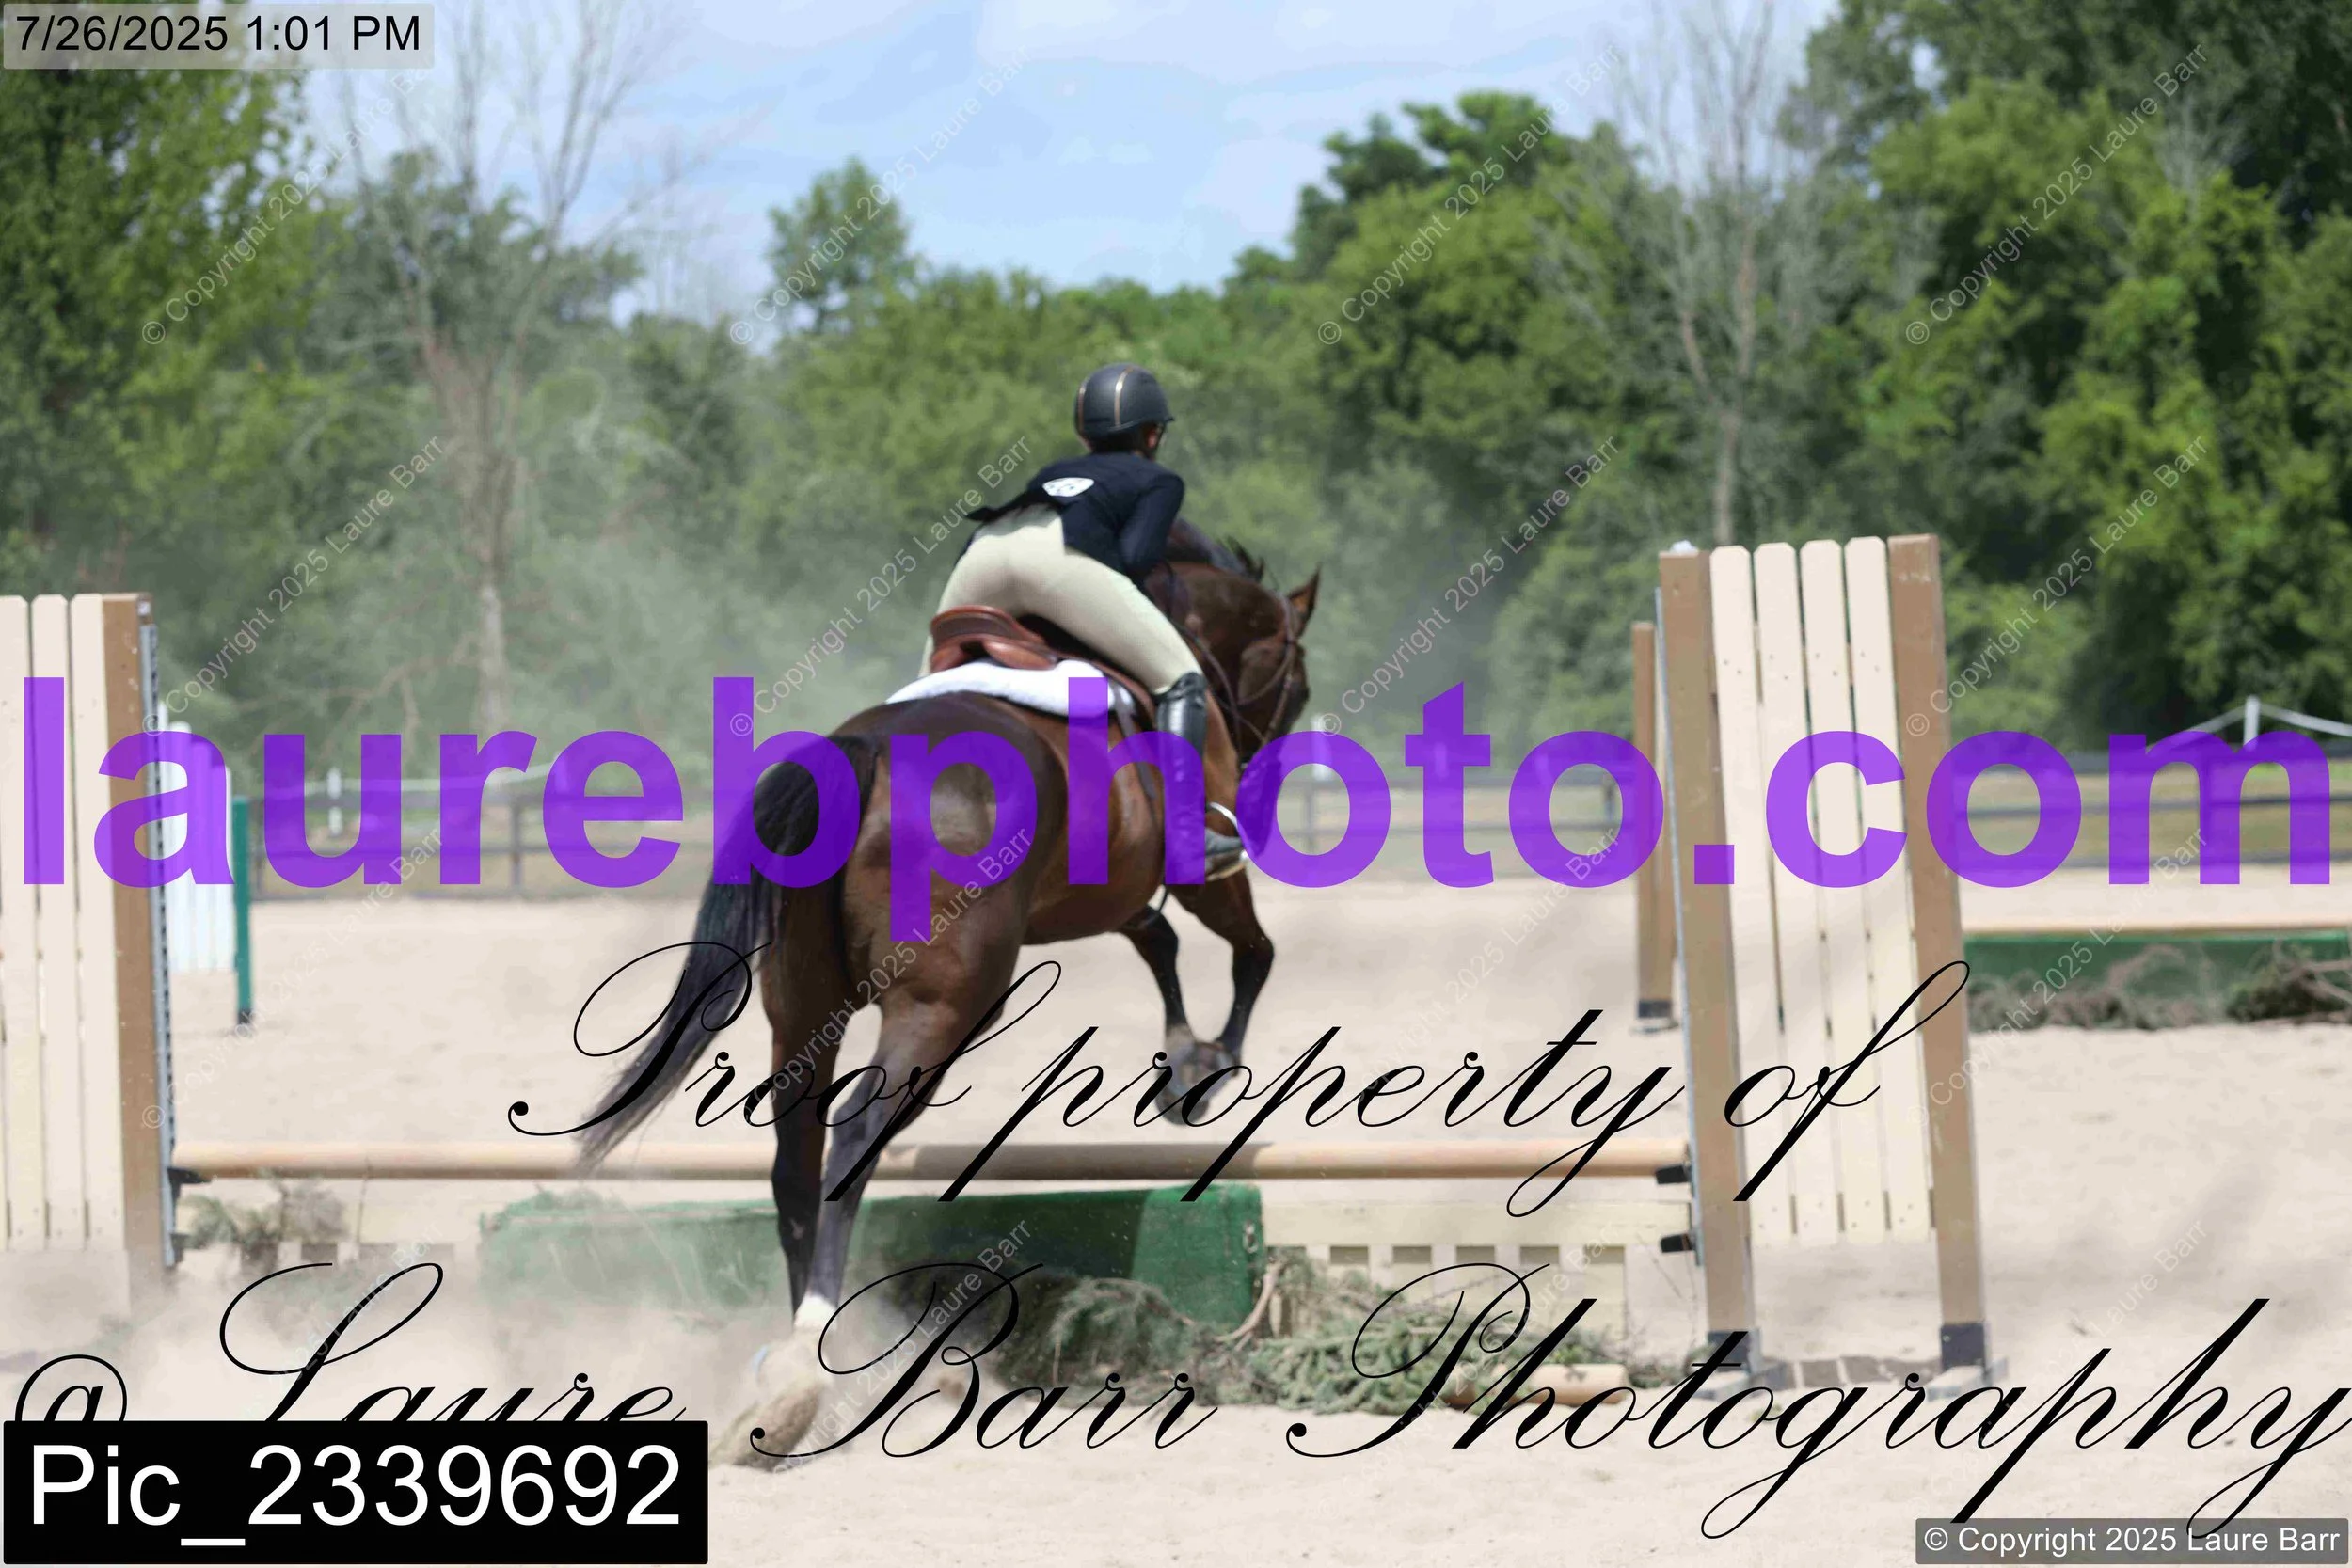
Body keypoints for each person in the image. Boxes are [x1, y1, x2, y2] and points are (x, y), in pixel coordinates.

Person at [930, 362, 1244, 866]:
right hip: (1055, 562)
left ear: (1084, 434)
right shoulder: (1159, 480)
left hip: (982, 553)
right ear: (1152, 433)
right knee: (1183, 680)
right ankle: (1186, 842)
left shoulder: (1054, 472)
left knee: (929, 684)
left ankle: (898, 812)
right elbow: (1133, 561)